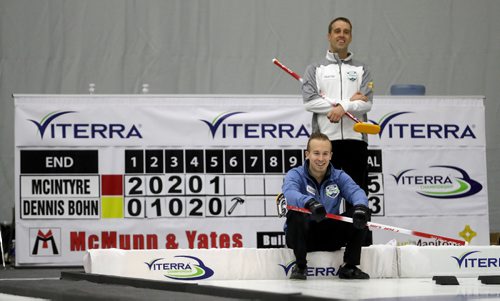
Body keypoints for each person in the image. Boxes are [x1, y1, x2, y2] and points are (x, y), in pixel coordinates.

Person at [301, 16, 373, 244]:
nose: (341, 35)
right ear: (329, 35)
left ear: (350, 36)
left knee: (357, 198)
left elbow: (367, 102)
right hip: (326, 145)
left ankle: (357, 253)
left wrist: (343, 107)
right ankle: (321, 245)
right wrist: (346, 102)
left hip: (355, 142)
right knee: (323, 198)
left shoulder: (362, 69)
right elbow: (309, 101)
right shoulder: (316, 68)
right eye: (337, 31)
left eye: (346, 31)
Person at [282, 132, 371, 280]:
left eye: (325, 154)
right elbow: (290, 193)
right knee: (295, 213)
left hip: (330, 235)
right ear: (307, 154)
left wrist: (361, 206)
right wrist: (309, 203)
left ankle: (349, 266)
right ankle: (300, 267)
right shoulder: (295, 174)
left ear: (331, 155)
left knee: (360, 212)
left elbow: (356, 192)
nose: (321, 159)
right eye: (316, 153)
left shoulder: (339, 176)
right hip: (304, 235)